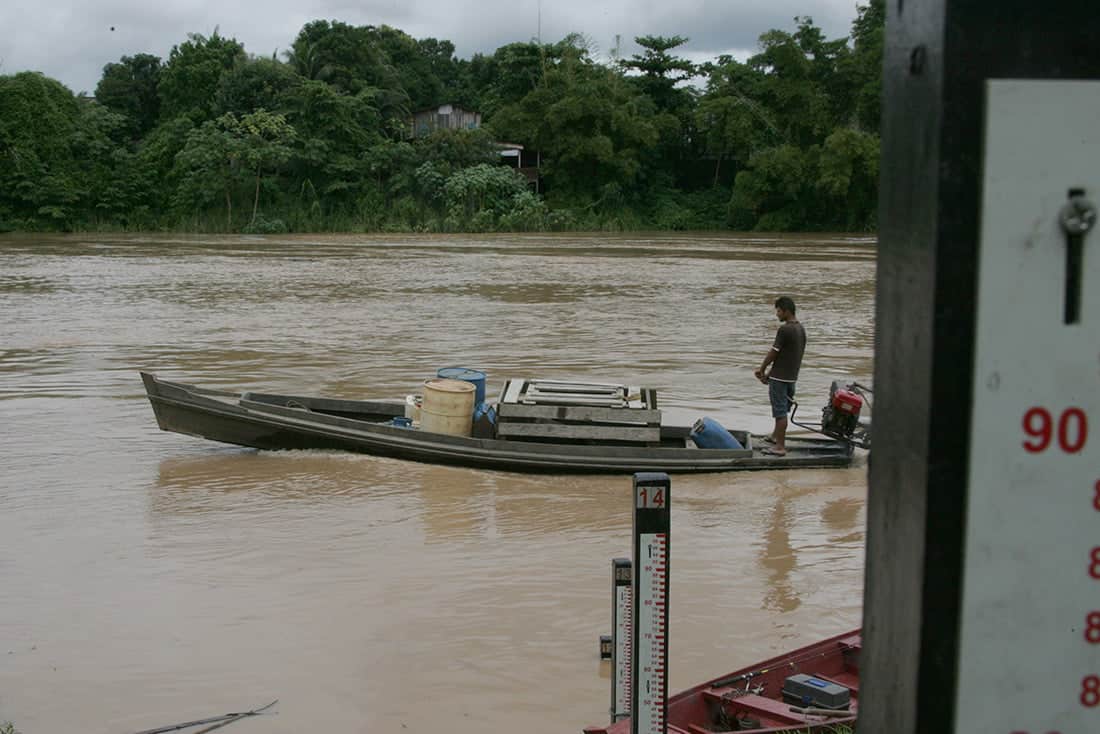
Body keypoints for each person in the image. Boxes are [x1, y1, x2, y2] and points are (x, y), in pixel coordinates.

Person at [754, 296, 806, 456]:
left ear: (786, 311)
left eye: (778, 311)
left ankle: (780, 447)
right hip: (791, 377)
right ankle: (775, 437)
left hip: (780, 379)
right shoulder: (800, 329)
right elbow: (789, 356)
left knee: (779, 412)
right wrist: (770, 374)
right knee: (783, 409)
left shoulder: (785, 329)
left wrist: (762, 369)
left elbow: (774, 352)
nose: (777, 314)